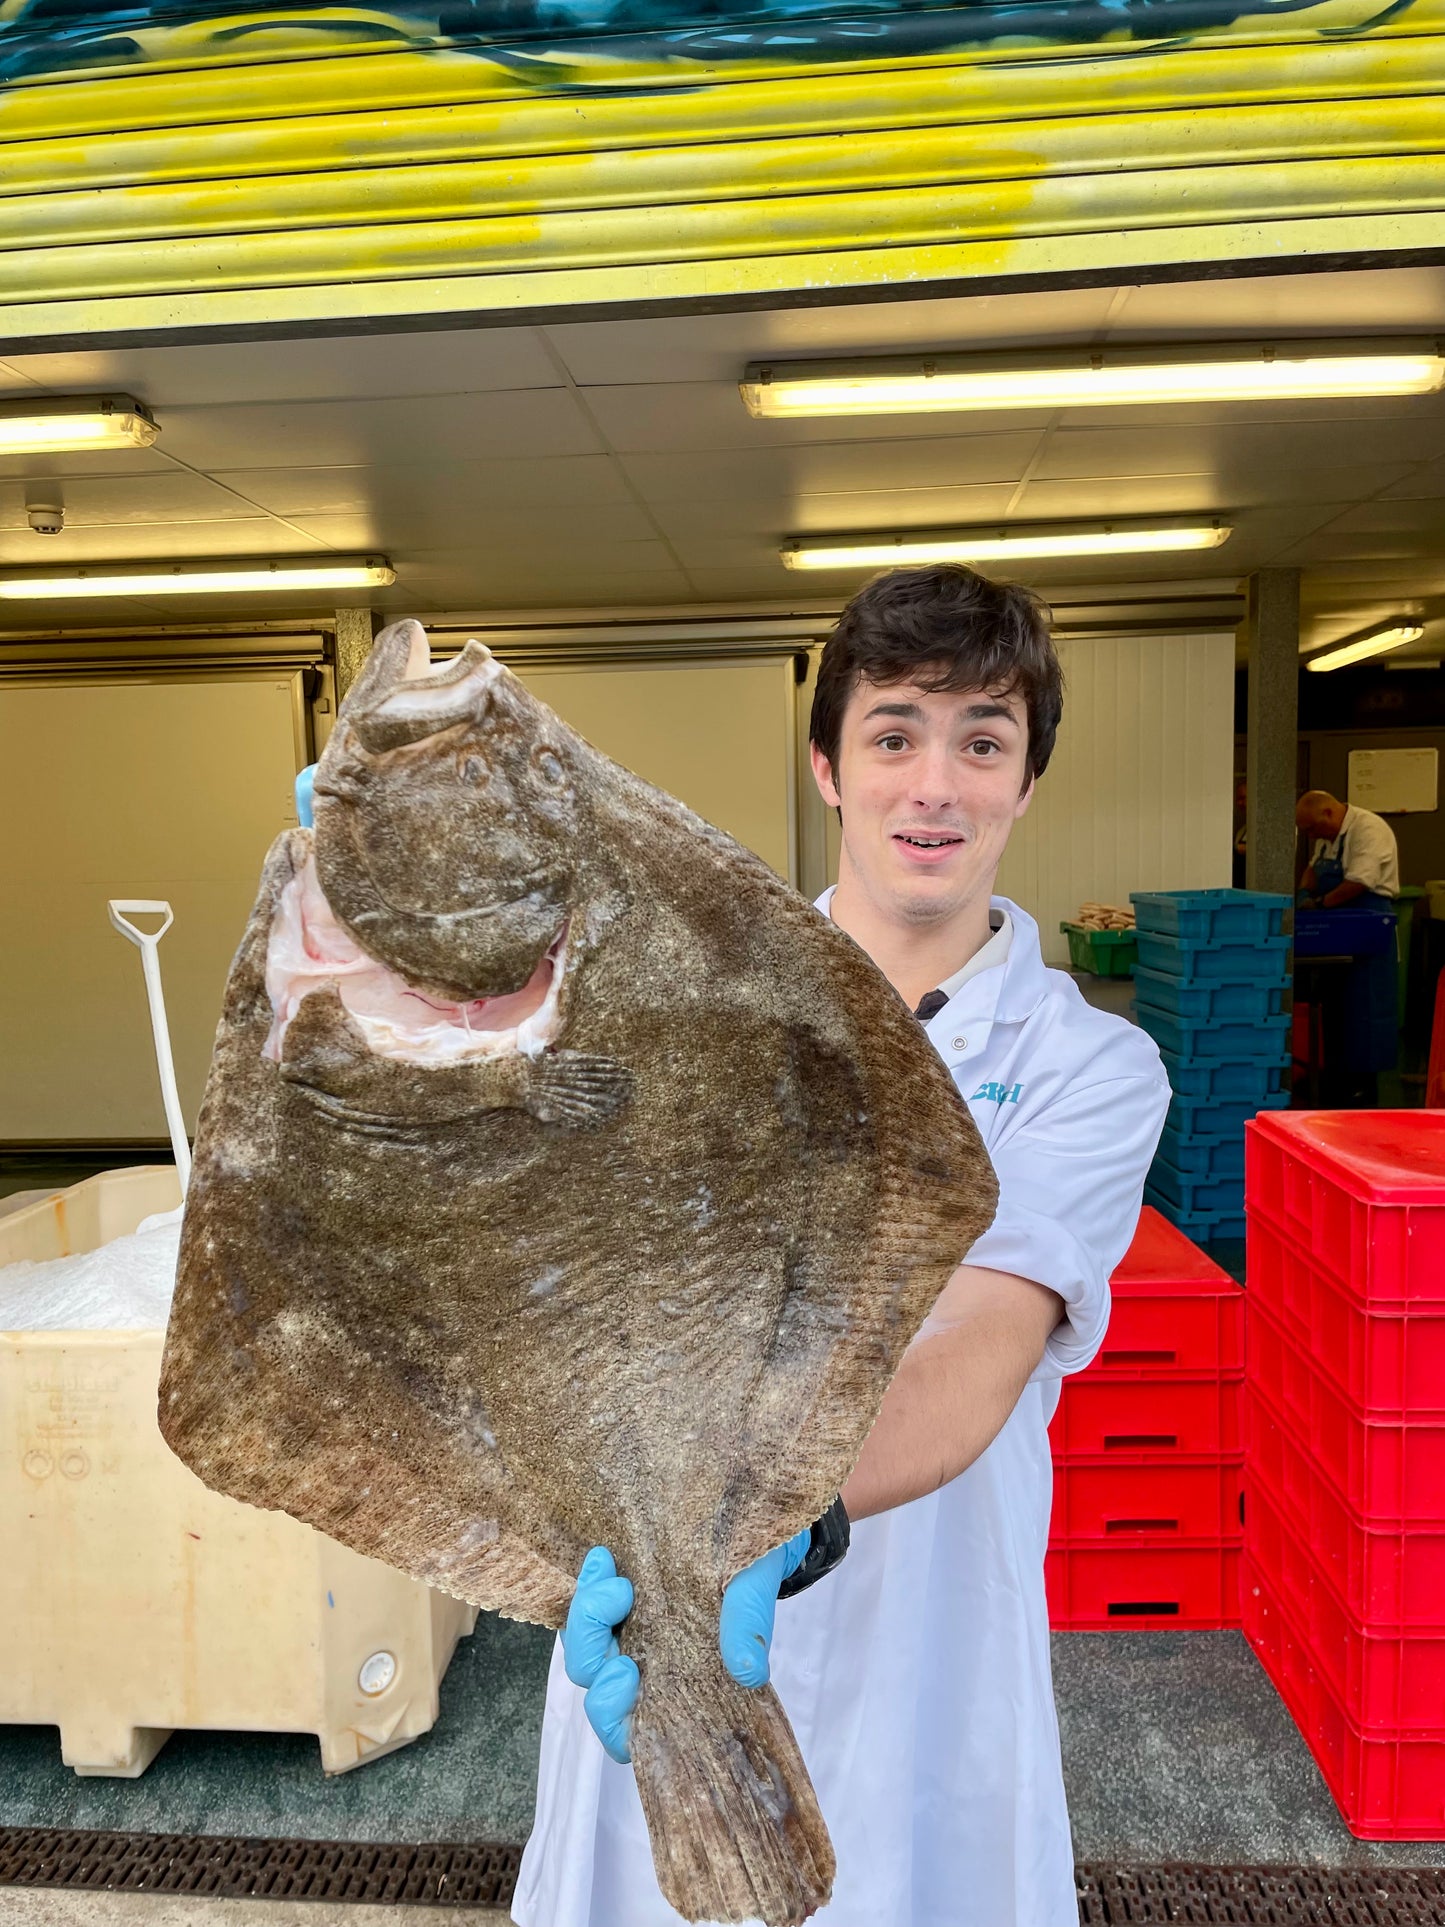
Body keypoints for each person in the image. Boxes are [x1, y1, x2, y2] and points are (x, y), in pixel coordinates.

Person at [511, 563, 1171, 1927]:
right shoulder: (690, 1015)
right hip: (660, 1585)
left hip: (924, 1625)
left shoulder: (1091, 1065)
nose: (935, 783)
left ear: (1024, 782)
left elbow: (985, 1334)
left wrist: (778, 1517)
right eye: (895, 733)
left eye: (982, 740)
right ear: (827, 765)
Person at [1296, 789, 1399, 909]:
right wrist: (1303, 894)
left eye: (1311, 829)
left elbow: (1358, 882)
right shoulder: (1325, 834)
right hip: (1335, 911)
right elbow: (1312, 869)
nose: (1311, 836)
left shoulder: (1368, 829)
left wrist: (1319, 904)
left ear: (1328, 813)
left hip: (1367, 914)